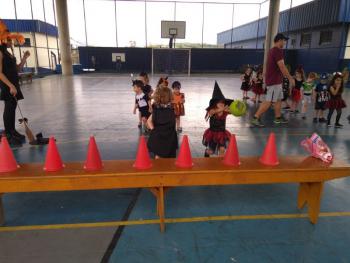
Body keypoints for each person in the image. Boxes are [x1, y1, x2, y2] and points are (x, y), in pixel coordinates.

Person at [251, 33, 295, 127]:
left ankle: (278, 117)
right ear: (279, 40)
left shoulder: (273, 51)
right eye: (284, 40)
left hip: (277, 81)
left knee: (278, 99)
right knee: (269, 101)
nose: (284, 42)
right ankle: (256, 117)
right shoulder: (277, 51)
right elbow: (282, 67)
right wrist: (290, 78)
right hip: (274, 81)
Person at [0, 20, 29, 146]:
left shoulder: (8, 53)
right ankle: (8, 134)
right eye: (9, 39)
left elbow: (17, 69)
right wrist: (10, 85)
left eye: (11, 40)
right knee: (9, 107)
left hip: (14, 83)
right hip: (8, 85)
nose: (11, 41)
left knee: (13, 107)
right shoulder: (0, 53)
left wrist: (24, 59)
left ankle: (12, 131)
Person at [203, 82, 233, 157]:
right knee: (211, 151)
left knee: (222, 149)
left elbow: (232, 111)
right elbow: (211, 112)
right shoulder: (212, 110)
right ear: (215, 104)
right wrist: (222, 109)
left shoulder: (225, 111)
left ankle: (220, 163)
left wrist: (231, 109)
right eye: (219, 102)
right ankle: (207, 153)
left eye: (223, 102)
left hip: (222, 133)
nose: (221, 104)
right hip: (213, 134)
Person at [147, 86, 178, 158]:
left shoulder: (156, 109)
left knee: (158, 156)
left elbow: (149, 121)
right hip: (170, 136)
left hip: (158, 136)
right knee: (170, 157)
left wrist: (153, 130)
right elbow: (175, 121)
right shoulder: (172, 109)